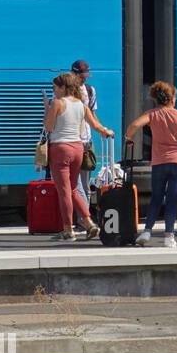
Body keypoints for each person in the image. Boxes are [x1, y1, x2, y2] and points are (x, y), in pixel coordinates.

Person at [43, 72, 113, 241]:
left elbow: (49, 126)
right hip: (78, 148)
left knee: (64, 191)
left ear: (62, 87)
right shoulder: (81, 105)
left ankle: (68, 230)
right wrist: (106, 131)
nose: (53, 90)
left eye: (55, 87)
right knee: (74, 189)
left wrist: (47, 107)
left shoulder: (57, 103)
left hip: (60, 149)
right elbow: (95, 125)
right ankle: (89, 223)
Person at [126, 81, 177, 248]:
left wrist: (128, 138)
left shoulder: (152, 114)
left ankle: (147, 231)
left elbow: (134, 125)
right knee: (172, 198)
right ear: (172, 98)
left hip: (159, 162)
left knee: (156, 197)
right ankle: (169, 236)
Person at [71, 59, 97, 206]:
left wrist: (102, 129)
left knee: (85, 185)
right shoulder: (63, 91)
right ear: (73, 74)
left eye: (85, 76)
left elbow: (92, 115)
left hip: (86, 141)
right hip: (71, 141)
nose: (84, 79)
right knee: (73, 185)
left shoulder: (90, 90)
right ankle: (79, 220)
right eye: (81, 76)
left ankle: (83, 221)